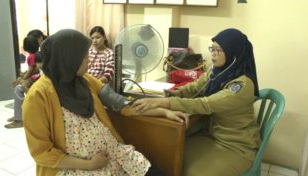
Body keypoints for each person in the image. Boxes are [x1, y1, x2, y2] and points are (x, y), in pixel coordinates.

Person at [22, 29, 181, 176]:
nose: (89, 62)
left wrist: (164, 112)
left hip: (113, 153)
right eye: (84, 57)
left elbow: (122, 104)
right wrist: (90, 165)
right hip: (77, 168)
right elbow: (42, 153)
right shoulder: (37, 97)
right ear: (67, 59)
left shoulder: (86, 81)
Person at [131, 28, 262, 176]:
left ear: (233, 53)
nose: (213, 52)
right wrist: (179, 92)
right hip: (212, 135)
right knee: (166, 155)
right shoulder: (217, 72)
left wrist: (164, 103)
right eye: (212, 48)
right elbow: (196, 86)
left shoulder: (242, 85)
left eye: (218, 50)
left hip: (236, 146)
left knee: (186, 169)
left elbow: (205, 104)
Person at [5, 52, 43, 128]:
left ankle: (19, 118)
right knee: (18, 88)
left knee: (20, 87)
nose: (38, 65)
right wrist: (22, 80)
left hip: (41, 90)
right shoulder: (40, 68)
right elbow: (35, 74)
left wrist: (25, 85)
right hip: (37, 85)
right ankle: (18, 116)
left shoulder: (48, 70)